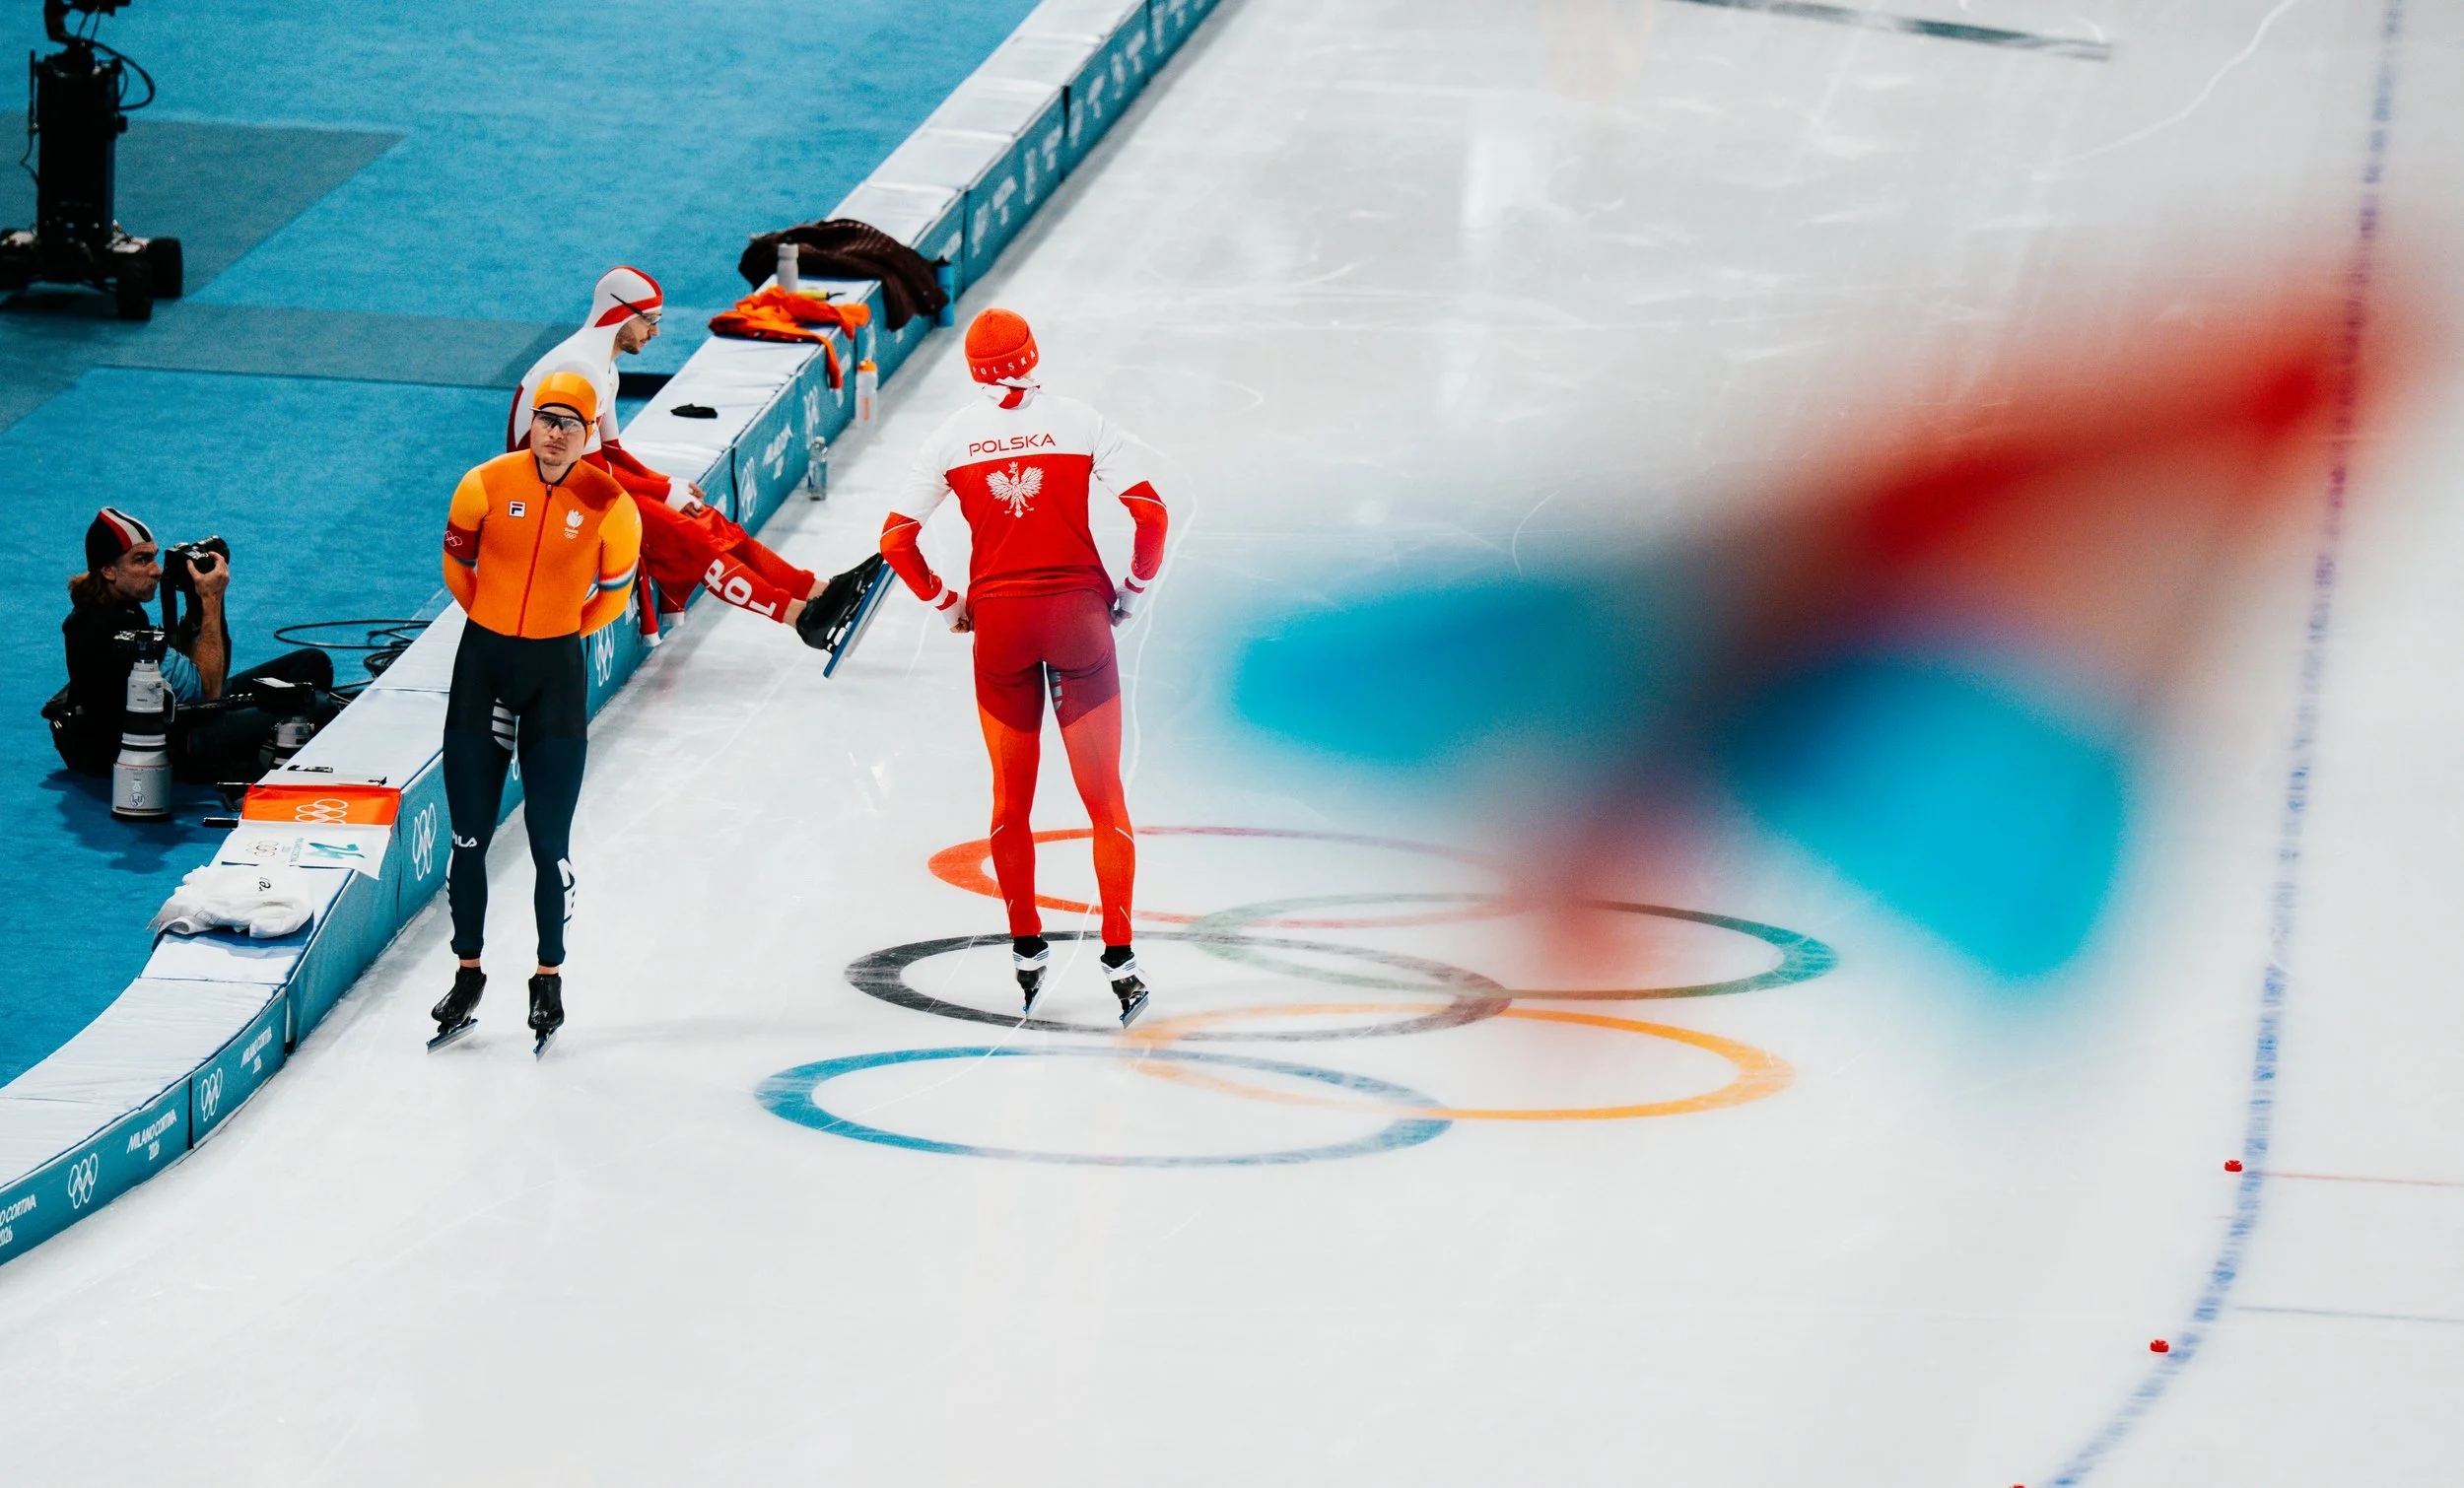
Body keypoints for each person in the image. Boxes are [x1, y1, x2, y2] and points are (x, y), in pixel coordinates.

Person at [877, 308, 1170, 1025]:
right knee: (1106, 805)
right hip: (1079, 621)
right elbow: (1153, 517)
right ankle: (1121, 960)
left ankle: (1026, 948)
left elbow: (894, 540)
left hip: (1000, 628)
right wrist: (1129, 591)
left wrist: (949, 603)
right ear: (1034, 356)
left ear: (975, 371)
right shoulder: (1080, 420)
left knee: (1011, 804)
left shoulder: (949, 437)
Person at [429, 370, 643, 1053]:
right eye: (546, 419)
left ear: (588, 433)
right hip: (484, 668)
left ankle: (548, 976)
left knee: (550, 846)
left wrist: (558, 631)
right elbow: (456, 569)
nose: (555, 433)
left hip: (554, 674)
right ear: (530, 424)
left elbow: (612, 597)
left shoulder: (610, 503)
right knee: (468, 837)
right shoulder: (486, 484)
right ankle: (468, 972)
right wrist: (492, 622)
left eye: (569, 423)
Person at [511, 265, 844, 646]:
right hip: (549, 496)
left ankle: (816, 590)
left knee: (709, 520)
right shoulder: (580, 369)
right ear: (619, 312)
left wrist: (665, 484)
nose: (656, 331)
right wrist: (664, 495)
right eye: (649, 320)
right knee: (688, 537)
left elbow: (613, 452)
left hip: (572, 483)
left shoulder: (602, 366)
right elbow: (588, 471)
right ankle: (800, 618)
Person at [50, 507, 339, 784]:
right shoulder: (108, 627)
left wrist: (193, 607)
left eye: (154, 557)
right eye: (141, 560)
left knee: (311, 664)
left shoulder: (114, 604)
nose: (156, 571)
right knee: (316, 705)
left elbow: (183, 670)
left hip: (174, 712)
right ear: (109, 570)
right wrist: (211, 600)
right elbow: (207, 691)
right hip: (171, 743)